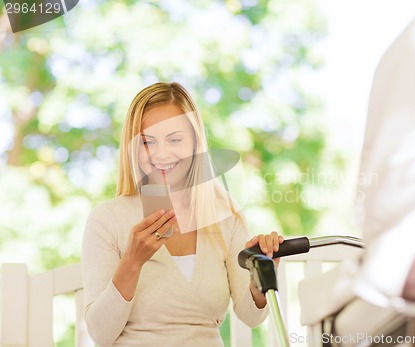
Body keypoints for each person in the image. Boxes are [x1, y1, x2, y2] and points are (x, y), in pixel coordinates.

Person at [81, 82, 283, 346]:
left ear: (195, 142)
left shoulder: (225, 217)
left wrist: (262, 273)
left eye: (175, 139)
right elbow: (100, 334)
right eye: (146, 141)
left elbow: (251, 315)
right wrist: (133, 261)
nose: (161, 154)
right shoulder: (107, 219)